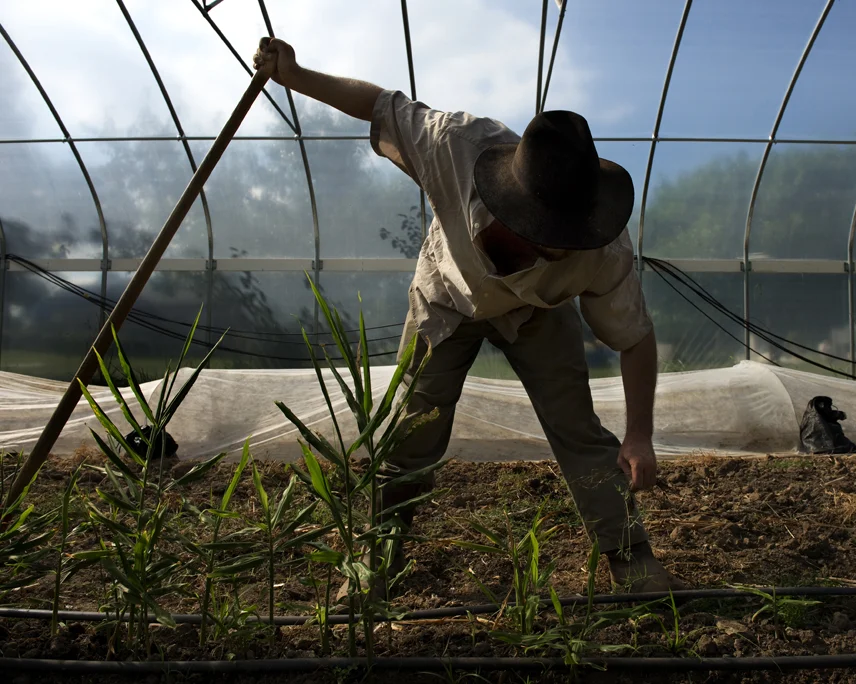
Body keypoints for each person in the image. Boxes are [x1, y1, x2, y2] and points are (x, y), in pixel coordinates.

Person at [253, 38, 683, 593]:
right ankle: (378, 559)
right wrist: (294, 75)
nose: (559, 247)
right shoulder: (453, 144)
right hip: (446, 297)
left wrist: (640, 435)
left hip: (536, 312)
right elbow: (380, 105)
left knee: (577, 426)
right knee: (411, 431)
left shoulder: (602, 247)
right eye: (544, 236)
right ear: (511, 203)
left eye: (567, 239)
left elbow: (635, 338)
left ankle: (629, 555)